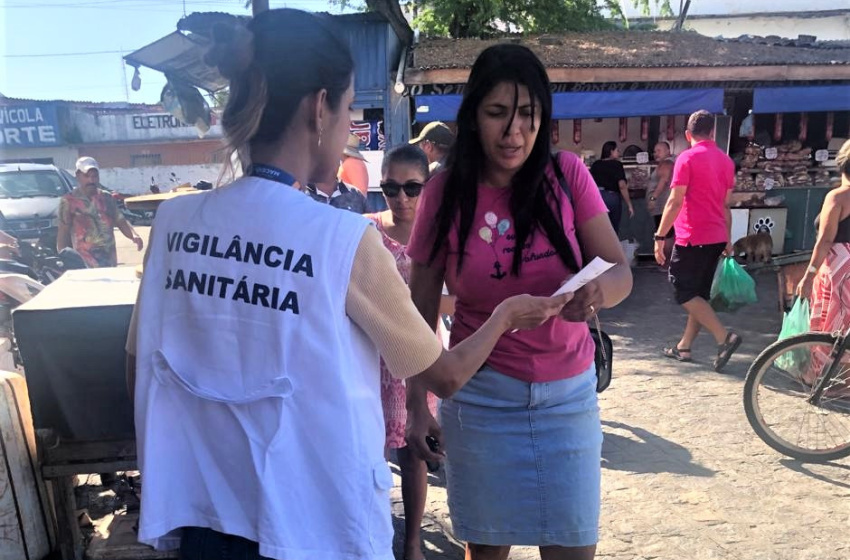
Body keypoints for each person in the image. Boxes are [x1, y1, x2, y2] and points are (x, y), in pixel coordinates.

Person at [125, 10, 570, 560]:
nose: (347, 129)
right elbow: (445, 374)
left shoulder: (173, 225)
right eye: (349, 108)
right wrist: (506, 315)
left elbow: (140, 366)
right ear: (319, 108)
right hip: (312, 530)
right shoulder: (342, 241)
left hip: (203, 523)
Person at [405, 44, 633, 560]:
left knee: (574, 550)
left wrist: (597, 292)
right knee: (486, 552)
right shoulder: (444, 193)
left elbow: (621, 272)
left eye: (528, 116)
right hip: (480, 400)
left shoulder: (567, 176)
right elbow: (419, 312)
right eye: (497, 115)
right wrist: (417, 406)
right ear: (472, 118)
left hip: (568, 401)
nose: (514, 134)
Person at [362, 144, 437, 560]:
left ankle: (411, 544)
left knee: (414, 456)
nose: (401, 198)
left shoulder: (440, 235)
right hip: (369, 360)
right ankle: (372, 536)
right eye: (391, 188)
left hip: (416, 359)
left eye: (412, 188)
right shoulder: (363, 231)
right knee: (368, 454)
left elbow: (455, 299)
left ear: (427, 186)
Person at [654, 110, 742, 371]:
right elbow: (726, 206)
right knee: (699, 294)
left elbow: (675, 200)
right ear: (713, 132)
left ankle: (724, 338)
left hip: (693, 235)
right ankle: (684, 347)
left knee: (683, 290)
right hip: (716, 236)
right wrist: (728, 239)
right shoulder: (726, 162)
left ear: (688, 134)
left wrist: (659, 236)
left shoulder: (686, 158)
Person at [797, 139, 850, 338]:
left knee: (833, 334)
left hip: (839, 268)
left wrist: (809, 275)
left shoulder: (838, 197)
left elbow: (825, 240)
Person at [57, 157, 143, 267]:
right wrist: (64, 258)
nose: (91, 180)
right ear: (78, 176)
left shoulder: (107, 198)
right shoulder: (68, 201)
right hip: (83, 264)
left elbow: (120, 220)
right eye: (86, 176)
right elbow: (63, 232)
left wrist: (133, 236)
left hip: (109, 262)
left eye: (94, 176)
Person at [589, 141, 634, 235]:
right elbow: (622, 185)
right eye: (617, 150)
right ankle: (611, 248)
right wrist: (629, 204)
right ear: (611, 151)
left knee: (598, 229)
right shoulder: (617, 164)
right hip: (611, 197)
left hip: (596, 197)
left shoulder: (596, 164)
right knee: (612, 230)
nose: (619, 152)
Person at [648, 141, 675, 265]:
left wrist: (653, 198)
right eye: (654, 151)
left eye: (659, 150)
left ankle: (666, 262)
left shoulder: (667, 163)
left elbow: (663, 181)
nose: (655, 153)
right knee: (665, 233)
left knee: (665, 235)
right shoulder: (664, 163)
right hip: (661, 206)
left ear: (668, 151)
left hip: (663, 205)